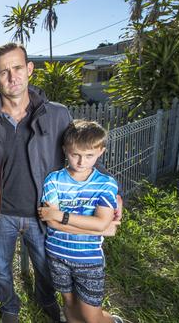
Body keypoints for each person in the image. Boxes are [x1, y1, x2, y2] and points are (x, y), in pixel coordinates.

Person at [0, 42, 122, 323]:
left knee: (45, 266)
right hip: (2, 213)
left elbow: (80, 149)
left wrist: (112, 190)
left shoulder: (57, 113)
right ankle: (9, 305)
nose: (12, 76)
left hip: (41, 210)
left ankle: (46, 301)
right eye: (4, 72)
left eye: (18, 67)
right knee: (0, 269)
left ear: (29, 69)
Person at [37, 120, 123, 323]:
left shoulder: (105, 183)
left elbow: (100, 223)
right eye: (75, 154)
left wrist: (61, 216)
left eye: (89, 156)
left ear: (100, 152)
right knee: (69, 306)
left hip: (88, 259)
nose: (81, 161)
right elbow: (52, 224)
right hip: (57, 255)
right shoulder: (54, 180)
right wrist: (95, 226)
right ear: (65, 150)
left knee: (91, 317)